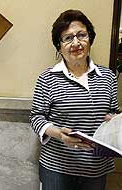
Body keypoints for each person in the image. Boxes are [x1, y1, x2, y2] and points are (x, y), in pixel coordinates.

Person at [29, 9, 120, 190]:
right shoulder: (47, 78)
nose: (76, 42)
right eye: (68, 38)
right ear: (59, 46)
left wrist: (116, 120)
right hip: (57, 167)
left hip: (96, 167)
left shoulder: (108, 76)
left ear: (90, 39)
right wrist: (59, 135)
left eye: (81, 35)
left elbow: (113, 113)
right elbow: (36, 117)